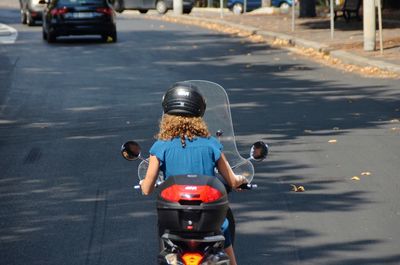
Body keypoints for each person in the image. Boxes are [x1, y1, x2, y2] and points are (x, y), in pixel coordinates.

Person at [140, 82, 247, 265]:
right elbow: (231, 180)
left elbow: (147, 189)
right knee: (224, 233)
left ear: (167, 112)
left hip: (174, 222)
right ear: (200, 113)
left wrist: (143, 183)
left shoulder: (160, 147)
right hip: (209, 221)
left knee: (165, 242)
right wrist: (241, 179)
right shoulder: (211, 144)